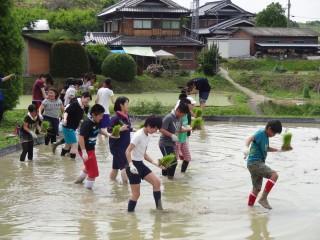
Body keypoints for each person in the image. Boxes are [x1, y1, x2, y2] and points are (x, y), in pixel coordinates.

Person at [125, 116, 164, 212]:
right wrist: (131, 165)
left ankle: (159, 209)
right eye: (155, 129)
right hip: (132, 166)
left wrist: (156, 163)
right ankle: (130, 215)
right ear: (149, 126)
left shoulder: (147, 135)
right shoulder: (138, 135)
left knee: (157, 183)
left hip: (140, 164)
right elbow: (127, 151)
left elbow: (144, 155)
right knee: (136, 194)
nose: (156, 131)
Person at [244, 120, 284, 210]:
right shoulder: (261, 133)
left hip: (252, 164)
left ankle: (250, 209)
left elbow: (266, 148)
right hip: (255, 163)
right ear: (269, 129)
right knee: (274, 175)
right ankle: (263, 199)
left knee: (256, 189)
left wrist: (278, 150)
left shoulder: (265, 136)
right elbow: (249, 139)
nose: (274, 135)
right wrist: (246, 148)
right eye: (274, 133)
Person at [75, 104, 115, 189]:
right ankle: (88, 194)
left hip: (91, 149)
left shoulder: (96, 121)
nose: (101, 118)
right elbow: (80, 137)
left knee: (88, 167)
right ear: (93, 114)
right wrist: (84, 151)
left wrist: (108, 134)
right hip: (85, 150)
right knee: (93, 172)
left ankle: (77, 183)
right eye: (100, 116)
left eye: (102, 115)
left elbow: (98, 129)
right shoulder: (87, 123)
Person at [159, 102, 190, 179]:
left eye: (184, 115)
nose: (183, 116)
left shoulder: (179, 118)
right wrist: (171, 135)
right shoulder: (169, 117)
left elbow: (179, 129)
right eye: (182, 114)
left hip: (172, 144)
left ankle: (164, 178)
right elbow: (161, 129)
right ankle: (170, 180)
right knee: (173, 162)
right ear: (178, 110)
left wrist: (188, 129)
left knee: (167, 162)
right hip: (165, 144)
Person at [108, 96, 132, 184]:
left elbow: (128, 128)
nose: (128, 105)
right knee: (124, 168)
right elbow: (109, 130)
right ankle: (126, 190)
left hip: (125, 146)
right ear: (121, 105)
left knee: (115, 168)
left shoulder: (126, 116)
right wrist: (120, 129)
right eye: (126, 103)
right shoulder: (115, 118)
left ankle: (112, 184)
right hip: (118, 147)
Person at [61, 92, 91, 159]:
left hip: (73, 128)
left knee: (67, 145)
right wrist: (65, 119)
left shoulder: (84, 106)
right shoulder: (75, 104)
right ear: (82, 97)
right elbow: (66, 112)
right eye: (87, 99)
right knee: (75, 145)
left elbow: (80, 116)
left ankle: (62, 158)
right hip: (68, 127)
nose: (88, 101)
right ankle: (72, 164)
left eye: (89, 100)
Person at [175, 95, 195, 173]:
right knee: (174, 161)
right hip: (177, 140)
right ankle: (168, 177)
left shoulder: (187, 114)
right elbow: (177, 129)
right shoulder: (179, 114)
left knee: (187, 158)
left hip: (184, 139)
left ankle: (183, 173)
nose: (192, 106)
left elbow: (186, 125)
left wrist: (192, 127)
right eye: (191, 105)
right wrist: (189, 128)